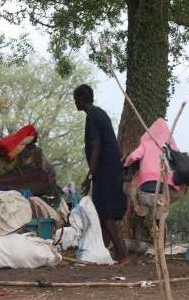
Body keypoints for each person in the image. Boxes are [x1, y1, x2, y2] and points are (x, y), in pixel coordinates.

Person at [73, 84, 128, 265]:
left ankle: (121, 255)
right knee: (103, 210)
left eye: (75, 99)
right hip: (111, 168)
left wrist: (90, 175)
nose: (75, 102)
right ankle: (102, 253)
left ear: (80, 99)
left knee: (105, 212)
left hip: (105, 170)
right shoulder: (99, 114)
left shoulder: (93, 117)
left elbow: (96, 147)